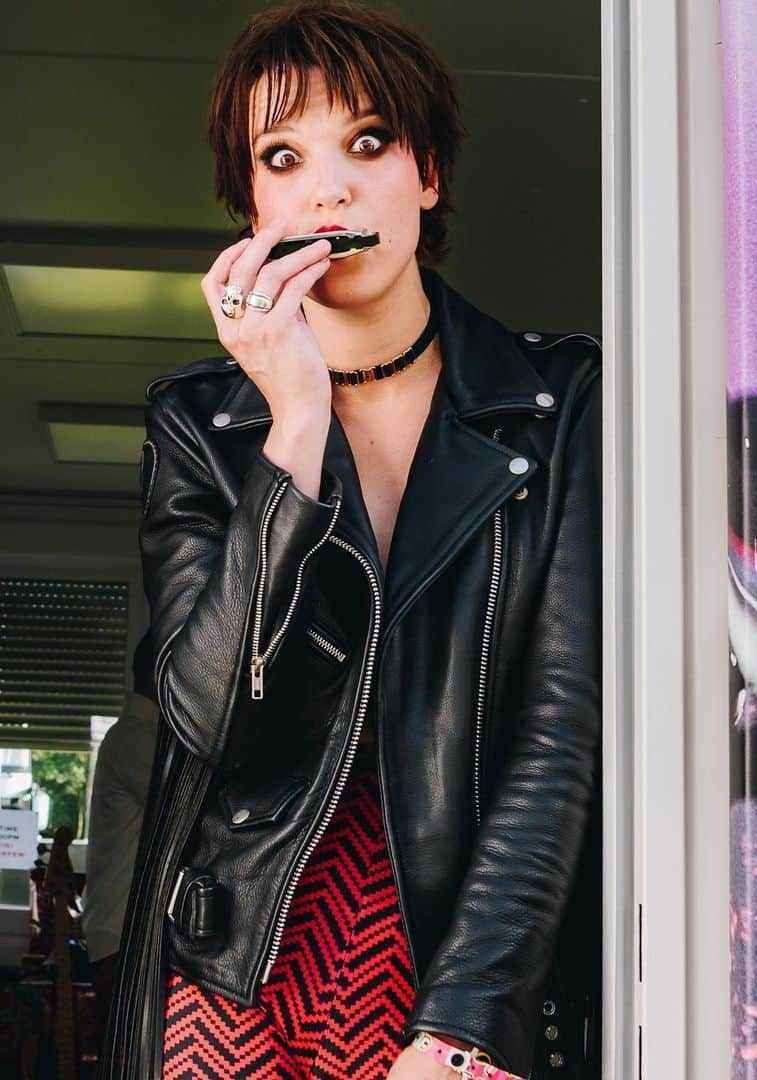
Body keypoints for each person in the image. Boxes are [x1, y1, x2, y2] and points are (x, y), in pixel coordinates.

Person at [99, 3, 602, 1079]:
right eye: (284, 157)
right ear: (255, 209)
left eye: (368, 142)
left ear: (427, 175)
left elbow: (560, 737)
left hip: (452, 961)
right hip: (232, 963)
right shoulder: (205, 423)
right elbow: (208, 717)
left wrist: (467, 1017)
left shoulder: (558, 401)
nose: (330, 186)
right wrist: (293, 428)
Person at [83, 630, 159, 1035]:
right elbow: (179, 810)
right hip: (120, 935)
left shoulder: (133, 737)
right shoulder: (135, 739)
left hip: (115, 932)